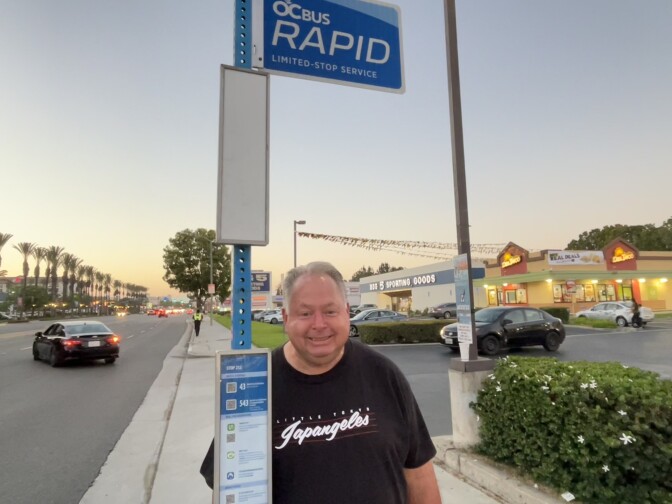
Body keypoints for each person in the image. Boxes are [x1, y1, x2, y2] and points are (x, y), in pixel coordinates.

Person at [200, 261, 441, 504]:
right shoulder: (253, 386)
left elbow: (419, 475)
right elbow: (228, 489)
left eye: (330, 311)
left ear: (347, 312)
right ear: (286, 317)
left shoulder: (384, 374)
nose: (319, 324)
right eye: (305, 313)